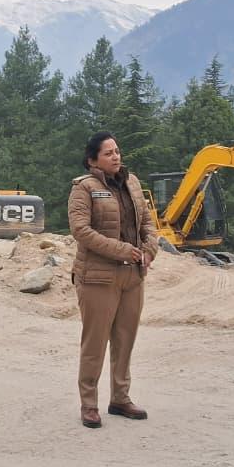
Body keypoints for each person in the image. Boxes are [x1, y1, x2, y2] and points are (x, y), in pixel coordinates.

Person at [68, 131, 159, 429]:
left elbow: (148, 222)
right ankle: (89, 404)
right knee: (95, 342)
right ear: (92, 160)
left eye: (117, 151)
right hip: (98, 277)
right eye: (108, 153)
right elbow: (81, 230)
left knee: (125, 339)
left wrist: (149, 249)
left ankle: (120, 397)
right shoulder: (84, 188)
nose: (116, 156)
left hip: (133, 275)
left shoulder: (132, 183)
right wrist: (121, 250)